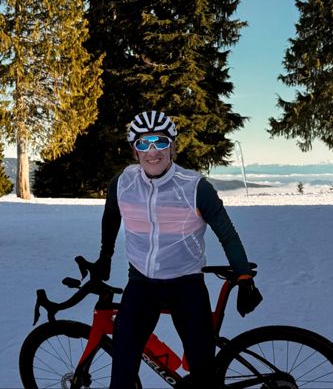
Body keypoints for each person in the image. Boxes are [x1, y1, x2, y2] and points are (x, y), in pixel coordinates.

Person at [91, 110, 262, 388]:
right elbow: (111, 218)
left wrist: (244, 276)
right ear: (135, 150)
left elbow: (227, 234)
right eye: (143, 143)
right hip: (141, 283)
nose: (152, 152)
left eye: (160, 142)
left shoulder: (195, 187)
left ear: (172, 146)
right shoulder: (122, 183)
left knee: (203, 374)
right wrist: (105, 256)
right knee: (121, 373)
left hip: (186, 285)